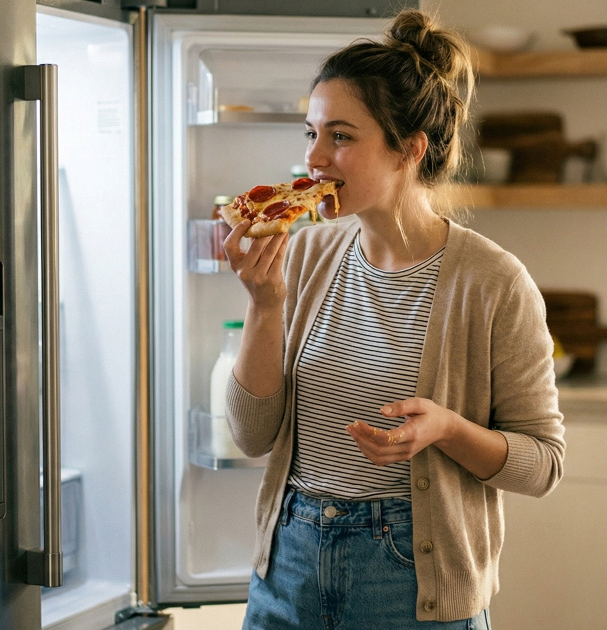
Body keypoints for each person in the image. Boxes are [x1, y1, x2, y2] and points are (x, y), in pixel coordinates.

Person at [223, 9, 565, 629]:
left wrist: (447, 430)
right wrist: (264, 305)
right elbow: (251, 436)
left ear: (410, 149)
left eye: (342, 136)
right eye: (310, 133)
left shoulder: (492, 281)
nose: (314, 159)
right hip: (289, 570)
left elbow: (543, 464)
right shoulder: (305, 254)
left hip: (411, 582)